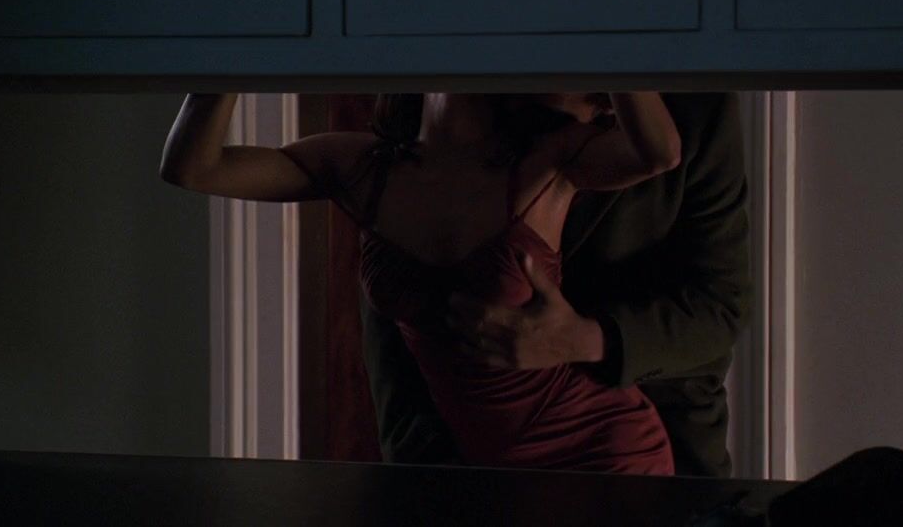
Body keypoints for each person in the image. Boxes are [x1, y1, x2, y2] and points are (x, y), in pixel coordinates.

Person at [161, 92, 685, 475]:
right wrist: (235, 49)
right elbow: (194, 168)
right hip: (489, 471)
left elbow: (659, 153)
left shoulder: (545, 161)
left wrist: (612, 25)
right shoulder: (362, 166)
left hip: (598, 449)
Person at [361, 92, 750, 478]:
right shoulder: (452, 104)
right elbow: (395, 308)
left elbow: (719, 307)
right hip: (464, 455)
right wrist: (422, 473)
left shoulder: (697, 106)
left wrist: (583, 339)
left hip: (649, 448)